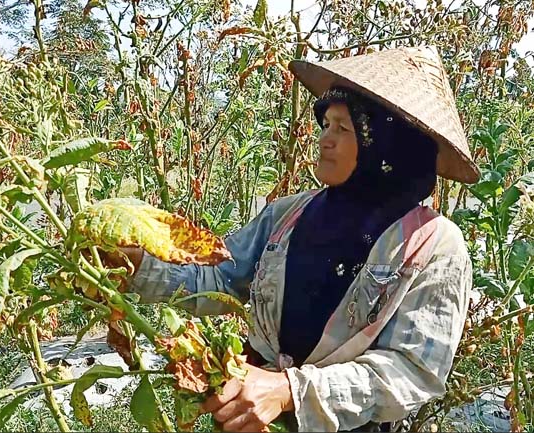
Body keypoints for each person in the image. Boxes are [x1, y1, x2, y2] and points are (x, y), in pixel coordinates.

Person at [123, 46, 479, 432]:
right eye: (325, 125)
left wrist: (289, 390)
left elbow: (411, 371)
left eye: (343, 129)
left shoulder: (434, 247)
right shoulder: (289, 214)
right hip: (249, 417)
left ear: (387, 147)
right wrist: (136, 264)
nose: (325, 139)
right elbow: (218, 278)